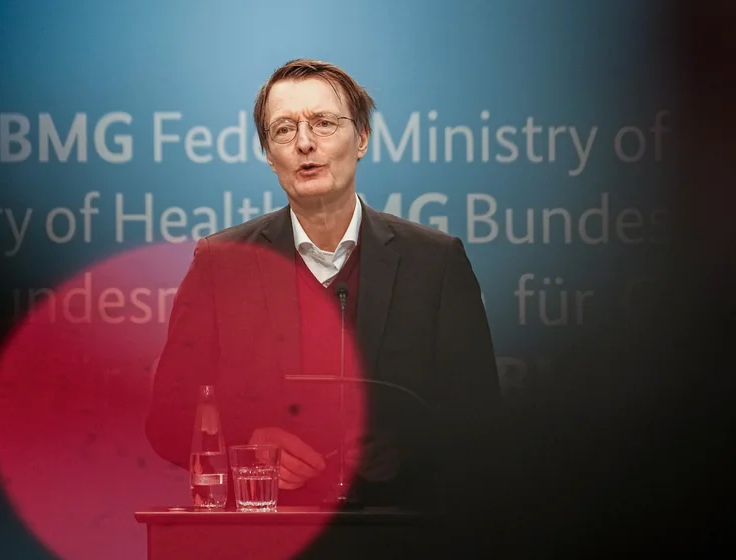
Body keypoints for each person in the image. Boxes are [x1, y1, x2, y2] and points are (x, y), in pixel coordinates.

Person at [146, 58, 501, 509]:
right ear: (269, 155)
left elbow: (481, 422)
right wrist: (248, 447)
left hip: (398, 533)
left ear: (362, 138)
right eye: (283, 130)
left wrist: (404, 452)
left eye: (324, 123)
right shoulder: (221, 264)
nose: (305, 143)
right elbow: (168, 421)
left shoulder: (435, 262)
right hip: (260, 537)